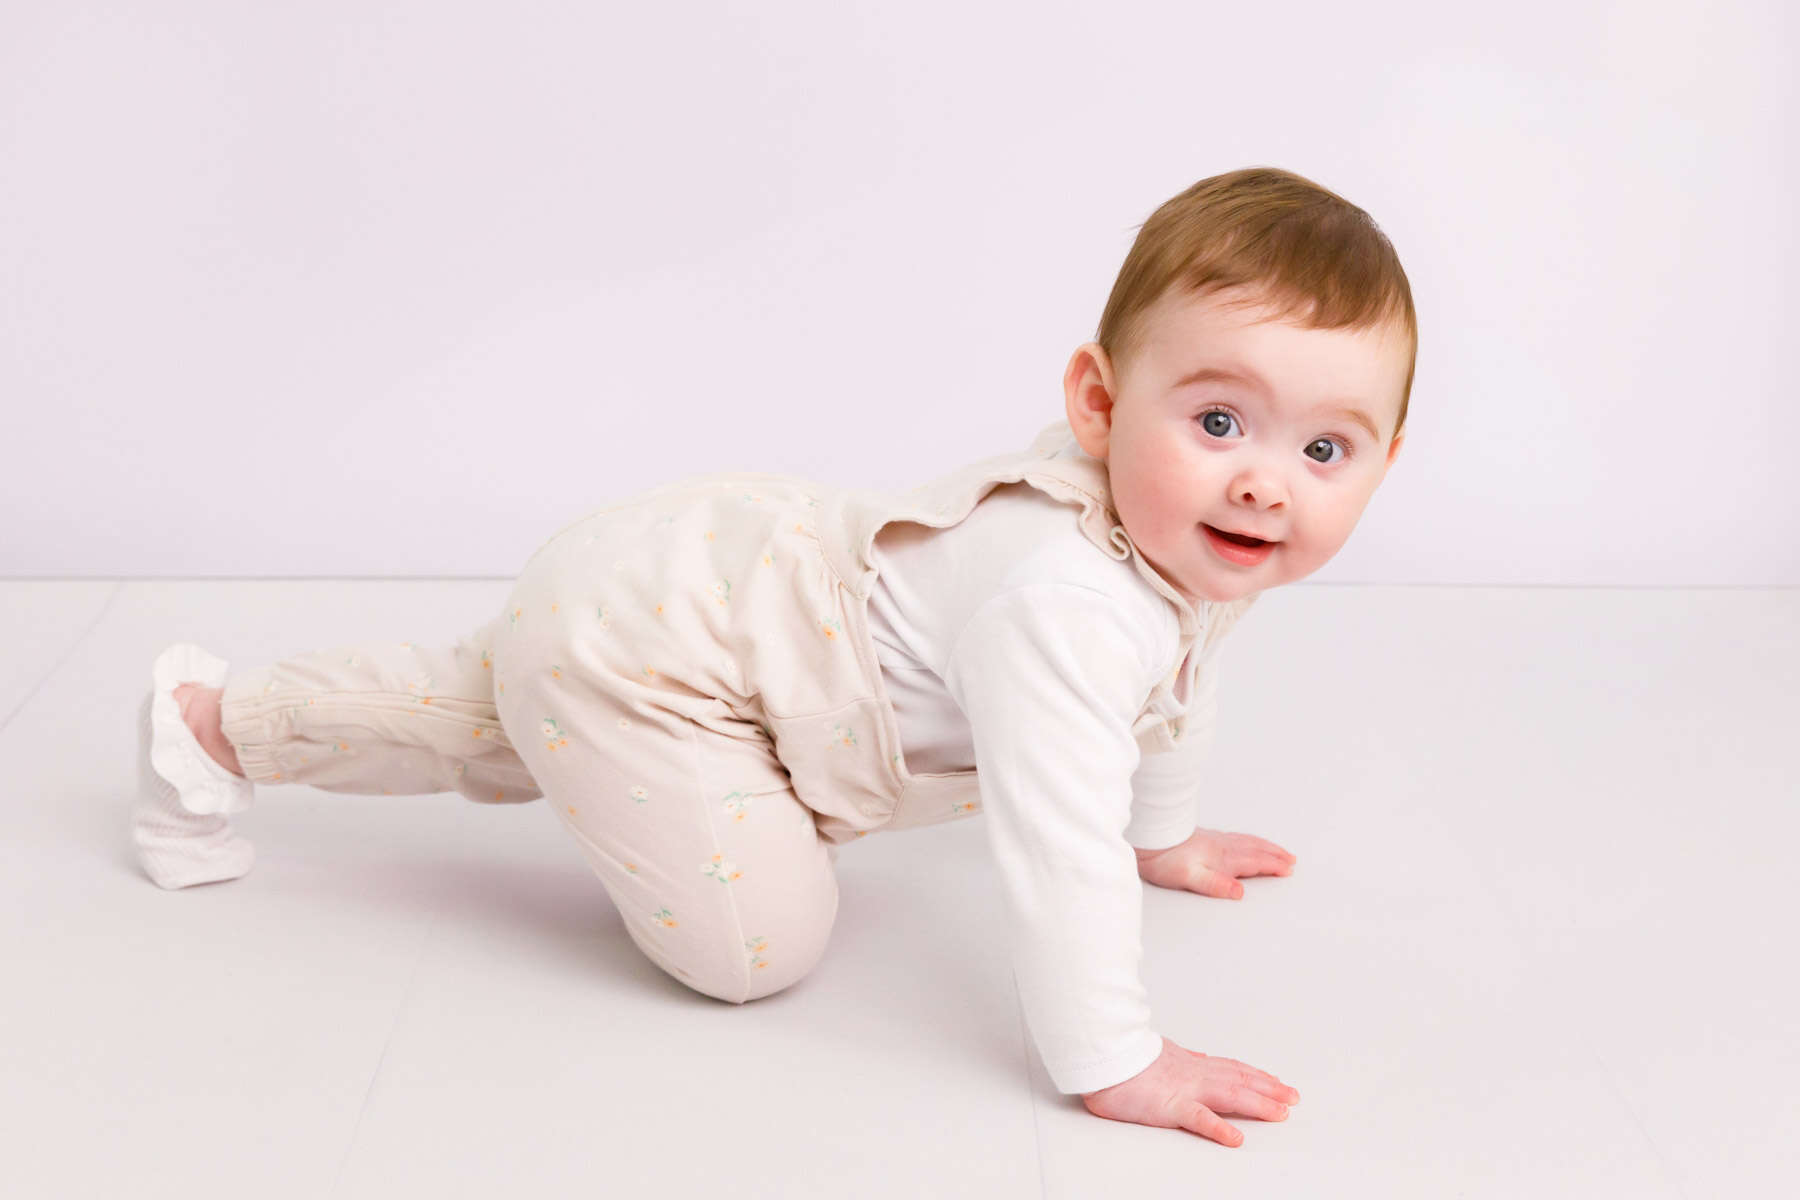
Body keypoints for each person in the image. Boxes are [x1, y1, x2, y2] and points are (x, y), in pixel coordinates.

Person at [131, 165, 1414, 1147]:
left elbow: (1171, 691)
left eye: (1323, 451)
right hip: (661, 647)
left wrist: (1165, 838)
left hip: (704, 593)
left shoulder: (1183, 542)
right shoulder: (1065, 605)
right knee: (758, 949)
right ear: (1100, 402)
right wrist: (1115, 1055)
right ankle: (260, 719)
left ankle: (223, 720)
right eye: (1219, 418)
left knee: (511, 714)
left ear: (1383, 462)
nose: (1263, 487)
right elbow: (1057, 841)